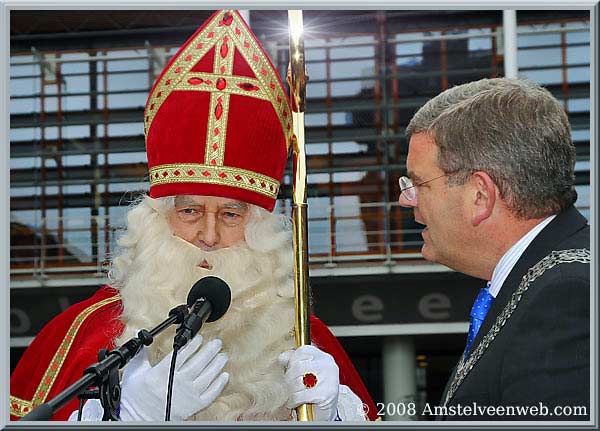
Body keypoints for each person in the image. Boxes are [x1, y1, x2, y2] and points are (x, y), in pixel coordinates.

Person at [10, 10, 377, 422]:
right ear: (155, 221)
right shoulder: (81, 333)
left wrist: (329, 417)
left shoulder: (304, 339)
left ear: (262, 232)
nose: (208, 234)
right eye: (189, 211)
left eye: (231, 215)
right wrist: (129, 416)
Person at [398, 77, 590, 420]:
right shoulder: (548, 279)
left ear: (480, 196)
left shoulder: (567, 297)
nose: (405, 199)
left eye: (418, 183)